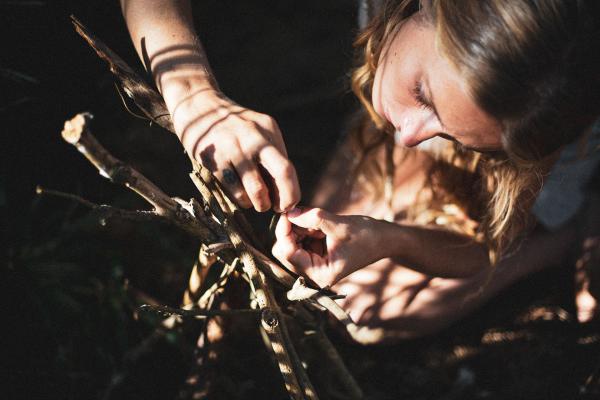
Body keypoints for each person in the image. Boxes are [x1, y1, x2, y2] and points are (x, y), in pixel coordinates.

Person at [121, 0, 600, 342]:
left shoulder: (552, 118)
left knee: (372, 313)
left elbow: (484, 248)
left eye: (453, 132)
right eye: (423, 93)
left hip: (544, 173)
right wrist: (197, 100)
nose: (409, 133)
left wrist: (393, 240)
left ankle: (560, 237)